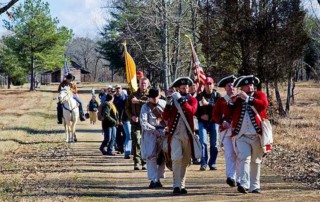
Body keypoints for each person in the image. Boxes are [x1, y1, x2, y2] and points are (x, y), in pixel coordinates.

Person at [225, 75, 268, 194]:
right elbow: (227, 114)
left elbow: (263, 105)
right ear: (242, 88)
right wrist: (231, 103)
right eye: (247, 85)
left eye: (252, 85)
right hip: (241, 135)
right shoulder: (237, 99)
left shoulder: (259, 95)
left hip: (257, 135)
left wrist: (248, 98)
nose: (251, 87)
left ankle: (255, 186)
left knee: (256, 161)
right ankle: (244, 184)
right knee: (244, 158)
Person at [162, 77, 198, 194]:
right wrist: (168, 103)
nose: (185, 89)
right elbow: (165, 116)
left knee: (185, 160)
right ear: (178, 89)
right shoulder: (173, 100)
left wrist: (182, 101)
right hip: (175, 134)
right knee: (176, 158)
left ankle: (182, 185)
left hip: (187, 134)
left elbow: (192, 111)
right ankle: (176, 185)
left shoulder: (192, 100)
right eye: (183, 88)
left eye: (187, 87)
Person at [212, 75, 240, 187]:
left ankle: (239, 178)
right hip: (227, 132)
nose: (231, 88)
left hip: (239, 132)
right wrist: (221, 121)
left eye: (233, 86)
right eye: (229, 86)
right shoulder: (221, 101)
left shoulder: (240, 99)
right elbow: (215, 115)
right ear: (225, 88)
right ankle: (230, 177)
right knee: (229, 154)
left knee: (239, 154)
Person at [140, 88, 167, 188]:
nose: (154, 99)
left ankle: (159, 179)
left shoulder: (164, 104)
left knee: (163, 157)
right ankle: (153, 179)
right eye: (152, 97)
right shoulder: (145, 107)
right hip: (150, 134)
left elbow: (168, 118)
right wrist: (153, 130)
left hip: (163, 132)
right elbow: (143, 122)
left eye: (156, 97)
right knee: (151, 156)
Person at [196, 77, 221, 170]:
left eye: (210, 84)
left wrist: (208, 104)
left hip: (214, 122)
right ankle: (203, 163)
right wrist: (200, 116)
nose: (208, 86)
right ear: (204, 85)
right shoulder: (199, 96)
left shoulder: (217, 95)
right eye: (207, 84)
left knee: (214, 144)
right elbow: (195, 110)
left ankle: (212, 162)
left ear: (213, 85)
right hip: (202, 122)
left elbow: (219, 109)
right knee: (203, 143)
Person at [125, 77, 150, 170]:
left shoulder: (150, 95)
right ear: (139, 84)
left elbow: (150, 104)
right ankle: (137, 162)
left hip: (147, 123)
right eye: (142, 83)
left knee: (146, 143)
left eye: (145, 83)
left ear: (147, 85)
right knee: (136, 141)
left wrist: (138, 101)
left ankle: (145, 162)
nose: (143, 85)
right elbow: (127, 108)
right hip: (136, 123)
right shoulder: (132, 95)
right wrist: (131, 116)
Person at [113, 84, 131, 157]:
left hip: (124, 119)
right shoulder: (113, 98)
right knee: (117, 135)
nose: (118, 90)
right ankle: (120, 148)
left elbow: (125, 109)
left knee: (126, 134)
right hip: (116, 119)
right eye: (116, 88)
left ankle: (126, 149)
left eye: (119, 88)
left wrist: (122, 120)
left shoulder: (125, 98)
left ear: (121, 89)